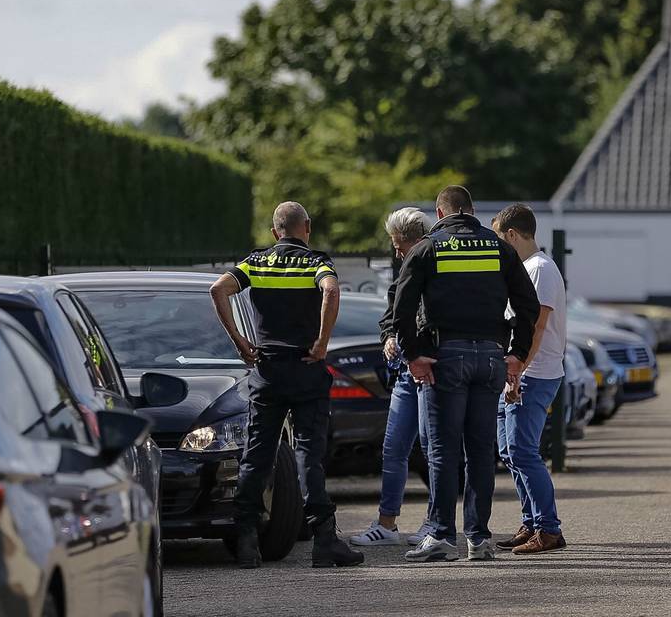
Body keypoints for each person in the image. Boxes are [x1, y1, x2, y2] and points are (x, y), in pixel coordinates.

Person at [209, 201, 364, 569]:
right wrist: (323, 342)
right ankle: (324, 541)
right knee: (309, 454)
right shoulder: (316, 263)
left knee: (257, 454)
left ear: (274, 231)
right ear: (306, 227)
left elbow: (218, 289)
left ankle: (246, 539)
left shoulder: (255, 263)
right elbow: (331, 290)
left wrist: (239, 340)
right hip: (306, 368)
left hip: (267, 371)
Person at [392, 186, 540, 562]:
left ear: (440, 214)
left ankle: (442, 535)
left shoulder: (427, 248)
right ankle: (478, 538)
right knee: (480, 453)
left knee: (442, 452)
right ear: (472, 211)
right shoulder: (500, 249)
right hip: (491, 358)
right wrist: (518, 355)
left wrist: (414, 356)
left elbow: (401, 310)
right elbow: (529, 306)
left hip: (446, 358)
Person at [349, 207, 436, 547]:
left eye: (399, 244)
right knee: (393, 447)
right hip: (404, 371)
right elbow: (391, 313)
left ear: (416, 239)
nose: (396, 251)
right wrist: (389, 336)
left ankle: (434, 522)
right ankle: (387, 523)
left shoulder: (434, 263)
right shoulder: (403, 269)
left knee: (433, 450)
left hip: (429, 368)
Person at [492, 203, 568, 555]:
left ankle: (548, 529)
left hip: (533, 374)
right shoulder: (528, 268)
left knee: (523, 451)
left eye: (499, 239)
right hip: (522, 373)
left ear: (512, 234)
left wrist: (517, 370)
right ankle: (533, 521)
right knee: (511, 451)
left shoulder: (539, 269)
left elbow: (536, 326)